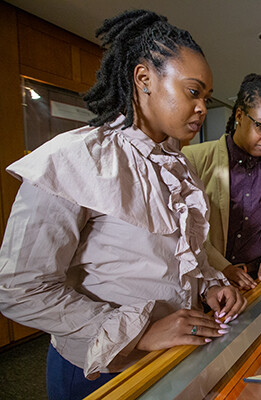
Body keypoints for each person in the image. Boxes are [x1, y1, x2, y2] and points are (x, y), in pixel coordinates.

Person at [0, 10, 246, 400]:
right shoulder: (75, 157)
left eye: (205, 97)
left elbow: (183, 256)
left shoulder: (179, 168)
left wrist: (212, 285)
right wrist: (140, 331)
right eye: (193, 91)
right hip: (97, 370)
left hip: (168, 358)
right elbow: (20, 288)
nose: (202, 107)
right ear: (144, 79)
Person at [183, 74, 261, 291]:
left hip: (260, 281)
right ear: (240, 116)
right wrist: (223, 268)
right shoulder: (194, 158)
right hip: (211, 283)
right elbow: (190, 229)